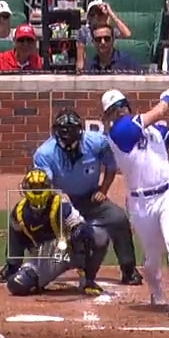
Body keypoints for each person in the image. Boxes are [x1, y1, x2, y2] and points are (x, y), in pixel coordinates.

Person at [101, 85, 169, 321]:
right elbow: (159, 111)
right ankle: (156, 291)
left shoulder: (152, 131)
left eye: (121, 106)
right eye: (113, 110)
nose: (119, 112)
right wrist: (168, 98)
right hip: (141, 204)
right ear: (108, 117)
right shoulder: (119, 133)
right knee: (152, 260)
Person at [28, 108, 143, 286]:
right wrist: (61, 203)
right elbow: (45, 185)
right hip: (61, 202)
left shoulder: (97, 142)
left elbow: (111, 166)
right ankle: (18, 267)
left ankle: (128, 270)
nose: (68, 144)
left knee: (118, 218)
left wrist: (103, 190)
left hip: (90, 198)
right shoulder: (45, 154)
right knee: (27, 220)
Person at [0, 168, 111, 297]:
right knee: (17, 284)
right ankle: (37, 278)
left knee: (98, 234)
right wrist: (12, 267)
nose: (37, 191)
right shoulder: (19, 213)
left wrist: (76, 234)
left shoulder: (61, 204)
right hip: (46, 256)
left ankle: (88, 279)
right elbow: (16, 241)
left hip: (69, 249)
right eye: (34, 188)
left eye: (40, 187)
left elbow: (80, 226)